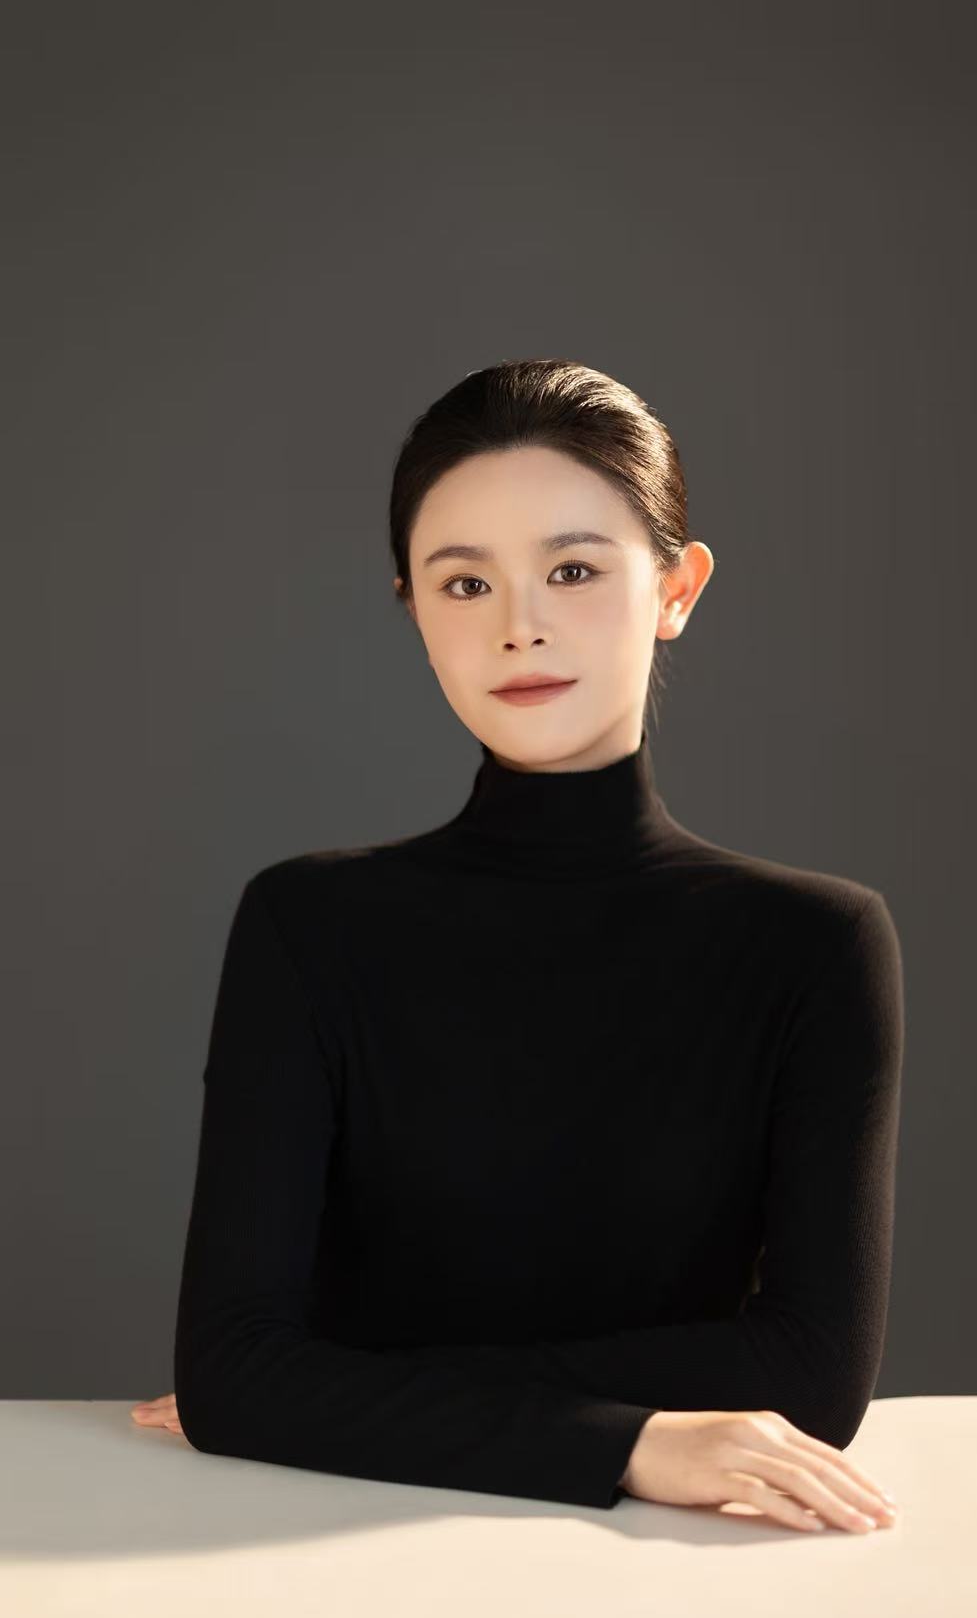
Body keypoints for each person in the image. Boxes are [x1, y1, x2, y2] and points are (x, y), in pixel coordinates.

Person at [132, 359, 902, 1535]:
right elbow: (238, 1376)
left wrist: (333, 1393)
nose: (519, 626)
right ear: (413, 607)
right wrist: (629, 1440)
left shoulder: (816, 944)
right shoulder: (309, 926)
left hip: (670, 1577)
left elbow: (812, 1377)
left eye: (574, 570)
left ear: (677, 588)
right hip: (312, 1556)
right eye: (464, 583)